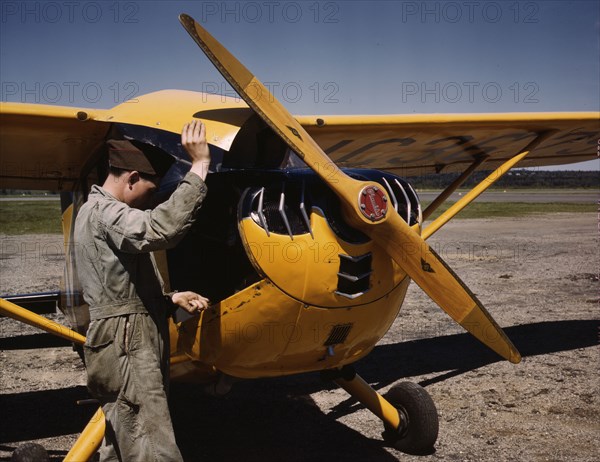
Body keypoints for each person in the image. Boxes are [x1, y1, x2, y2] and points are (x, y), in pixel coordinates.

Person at [74, 120, 211, 461]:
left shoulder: (97, 213)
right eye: (150, 192)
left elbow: (118, 285)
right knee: (152, 446)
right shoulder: (107, 212)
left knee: (126, 439)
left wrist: (169, 300)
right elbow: (158, 228)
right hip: (126, 341)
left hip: (122, 336)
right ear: (132, 178)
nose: (147, 202)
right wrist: (199, 167)